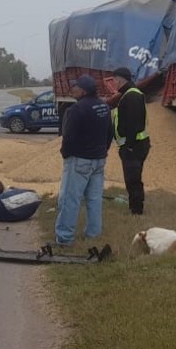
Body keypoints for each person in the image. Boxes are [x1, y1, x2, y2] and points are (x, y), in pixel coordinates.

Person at [54, 74, 113, 246]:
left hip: (79, 160)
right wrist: (103, 151)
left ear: (83, 90)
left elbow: (69, 137)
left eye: (76, 87)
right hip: (99, 160)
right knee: (94, 199)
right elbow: (109, 132)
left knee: (70, 199)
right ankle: (93, 234)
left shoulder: (76, 109)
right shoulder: (104, 107)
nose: (73, 89)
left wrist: (66, 154)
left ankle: (65, 237)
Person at [111, 66, 150, 215]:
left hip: (134, 146)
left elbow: (134, 123)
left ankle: (137, 210)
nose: (113, 83)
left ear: (120, 79)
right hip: (134, 145)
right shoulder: (128, 94)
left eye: (114, 80)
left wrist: (130, 146)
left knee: (133, 179)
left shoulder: (131, 96)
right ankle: (135, 206)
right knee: (132, 178)